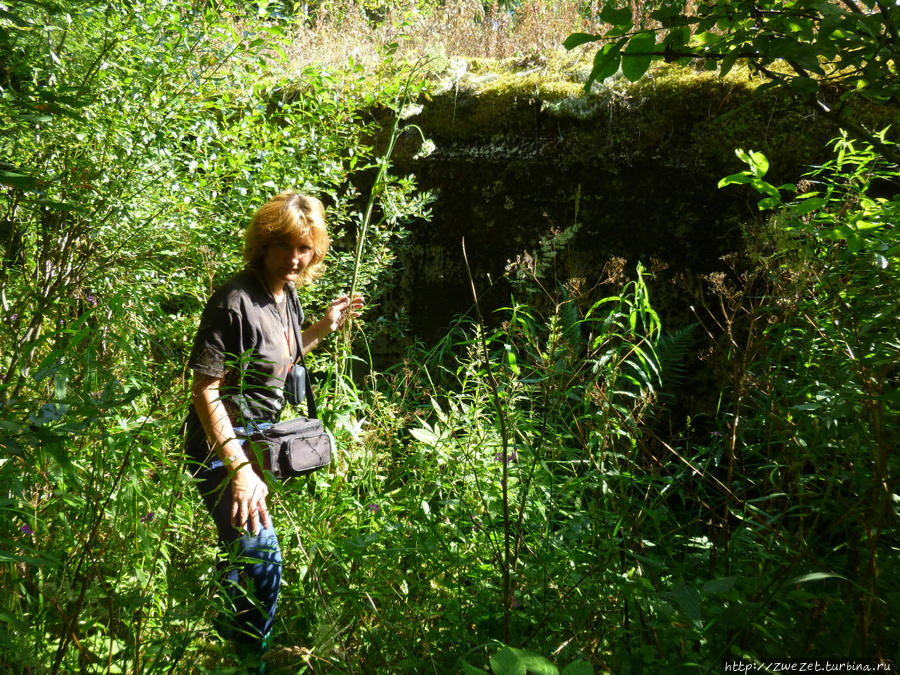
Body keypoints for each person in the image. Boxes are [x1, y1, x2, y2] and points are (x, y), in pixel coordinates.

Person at [183, 190, 362, 661]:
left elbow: (278, 359)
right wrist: (239, 469)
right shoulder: (234, 301)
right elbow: (205, 390)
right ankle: (250, 661)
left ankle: (223, 651)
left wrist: (323, 327)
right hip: (222, 447)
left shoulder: (285, 297)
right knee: (263, 558)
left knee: (241, 558)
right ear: (264, 242)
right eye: (286, 246)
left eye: (305, 249)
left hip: (258, 443)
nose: (295, 259)